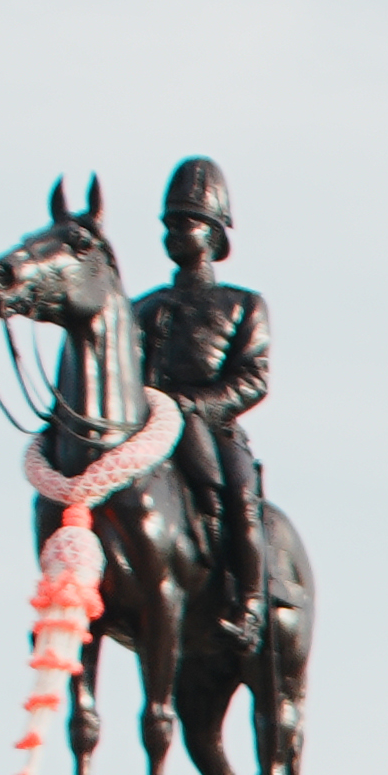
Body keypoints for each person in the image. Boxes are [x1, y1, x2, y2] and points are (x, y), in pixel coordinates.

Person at [141, 154, 276, 632]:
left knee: (241, 497)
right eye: (171, 223)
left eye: (189, 223)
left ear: (215, 234)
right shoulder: (143, 308)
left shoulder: (242, 305)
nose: (176, 233)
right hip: (148, 427)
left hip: (211, 426)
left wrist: (194, 405)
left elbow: (254, 378)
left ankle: (251, 603)